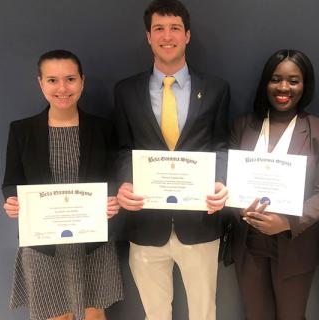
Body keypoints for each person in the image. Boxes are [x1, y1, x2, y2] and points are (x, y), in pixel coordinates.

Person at [113, 0, 230, 319]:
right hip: (146, 222)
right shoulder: (125, 91)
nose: (167, 36)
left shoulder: (217, 89)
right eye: (159, 29)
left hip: (200, 222)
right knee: (155, 313)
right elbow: (124, 148)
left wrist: (221, 182)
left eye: (175, 28)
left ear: (187, 35)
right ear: (148, 37)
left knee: (204, 312)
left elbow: (220, 146)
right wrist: (124, 184)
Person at [1, 49, 123, 320]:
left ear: (82, 81)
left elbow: (115, 175)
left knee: (94, 314)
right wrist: (11, 201)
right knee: (56, 316)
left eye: (70, 79)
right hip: (44, 245)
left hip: (92, 241)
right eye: (52, 80)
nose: (63, 88)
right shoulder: (21, 130)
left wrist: (113, 198)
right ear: (40, 83)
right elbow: (11, 182)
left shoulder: (103, 128)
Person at [229, 49, 319, 320]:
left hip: (295, 242)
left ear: (305, 85)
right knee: (255, 315)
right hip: (249, 239)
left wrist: (288, 222)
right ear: (265, 83)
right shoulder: (244, 125)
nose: (283, 87)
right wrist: (239, 207)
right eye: (276, 79)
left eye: (293, 80)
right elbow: (227, 177)